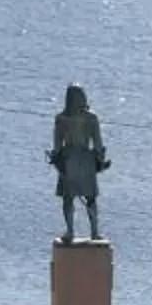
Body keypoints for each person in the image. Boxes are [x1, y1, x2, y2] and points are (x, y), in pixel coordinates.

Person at [50, 84, 108, 241]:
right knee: (91, 198)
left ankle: (70, 231)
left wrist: (56, 159)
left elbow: (57, 145)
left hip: (68, 160)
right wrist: (100, 161)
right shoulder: (91, 118)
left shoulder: (61, 118)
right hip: (86, 160)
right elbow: (97, 144)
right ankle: (94, 232)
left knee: (68, 198)